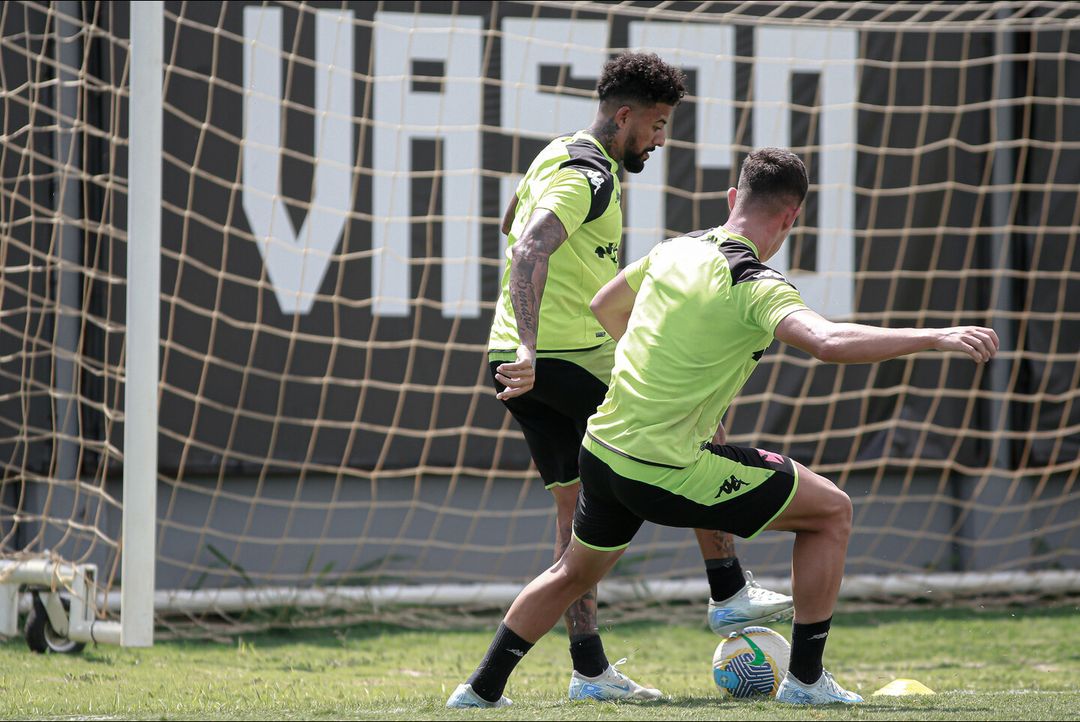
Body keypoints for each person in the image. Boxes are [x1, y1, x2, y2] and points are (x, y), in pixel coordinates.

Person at [449, 147, 999, 707]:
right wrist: (934, 336)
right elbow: (828, 342)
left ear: (733, 199)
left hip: (605, 450)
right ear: (790, 219)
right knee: (831, 511)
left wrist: (655, 370)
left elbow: (604, 304)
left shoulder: (675, 249)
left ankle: (479, 691)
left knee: (573, 571)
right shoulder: (756, 283)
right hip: (666, 468)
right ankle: (806, 682)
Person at [467, 54, 792, 706]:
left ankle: (586, 669)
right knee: (694, 418)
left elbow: (510, 221)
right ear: (626, 116)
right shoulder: (593, 176)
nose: (661, 138)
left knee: (573, 516)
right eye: (658, 124)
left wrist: (522, 346)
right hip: (557, 355)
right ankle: (728, 587)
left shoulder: (558, 154)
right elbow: (529, 245)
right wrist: (533, 346)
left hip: (513, 359)